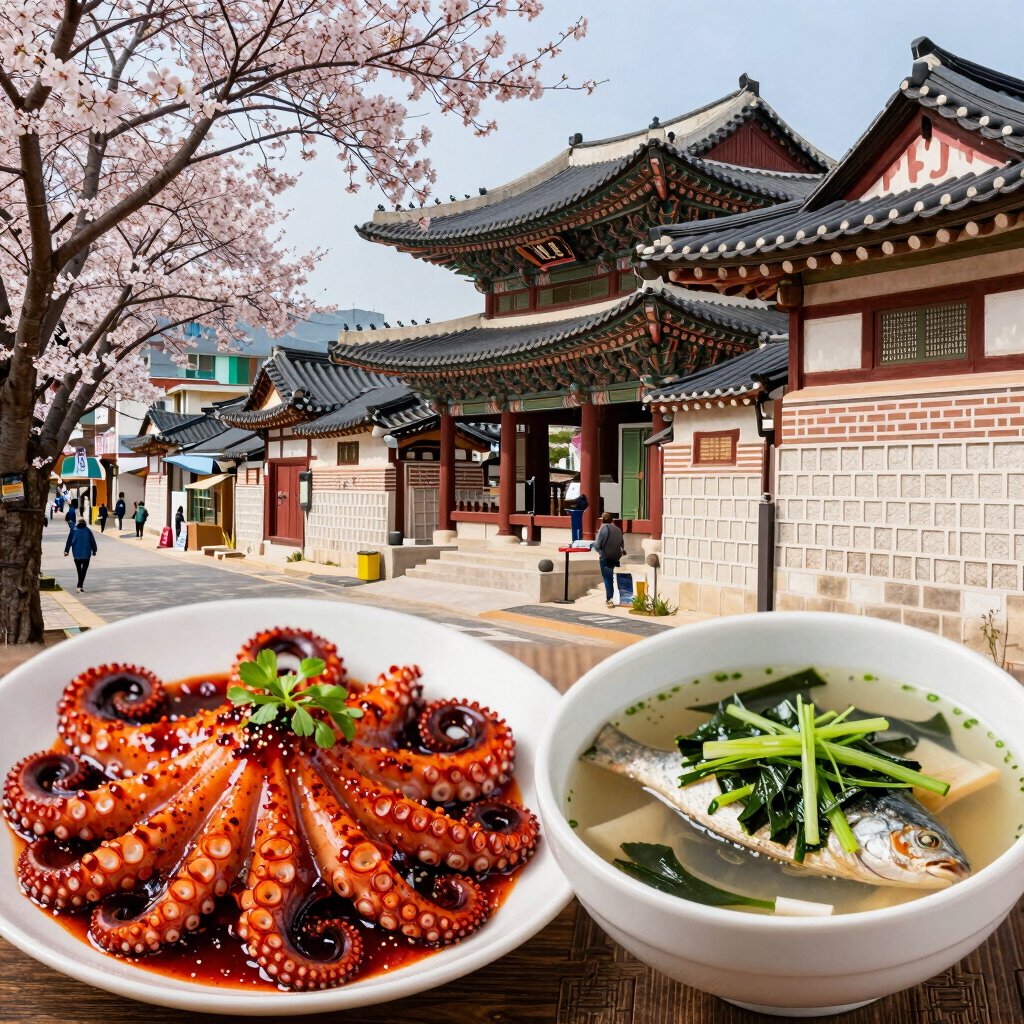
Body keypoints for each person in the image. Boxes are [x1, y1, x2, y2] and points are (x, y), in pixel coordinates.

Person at [591, 511, 625, 608]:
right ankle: (620, 597)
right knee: (616, 577)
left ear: (602, 519)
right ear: (612, 520)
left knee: (607, 578)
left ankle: (610, 598)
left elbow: (597, 545)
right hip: (617, 556)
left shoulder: (603, 529)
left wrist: (600, 552)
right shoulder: (618, 529)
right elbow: (622, 544)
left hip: (606, 556)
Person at [64, 518, 97, 592]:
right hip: (86, 554)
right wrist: (94, 550)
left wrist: (66, 551)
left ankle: (79, 585)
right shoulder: (88, 531)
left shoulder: (74, 531)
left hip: (76, 554)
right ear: (85, 523)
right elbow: (92, 541)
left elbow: (69, 542)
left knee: (79, 570)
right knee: (84, 570)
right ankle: (80, 585)